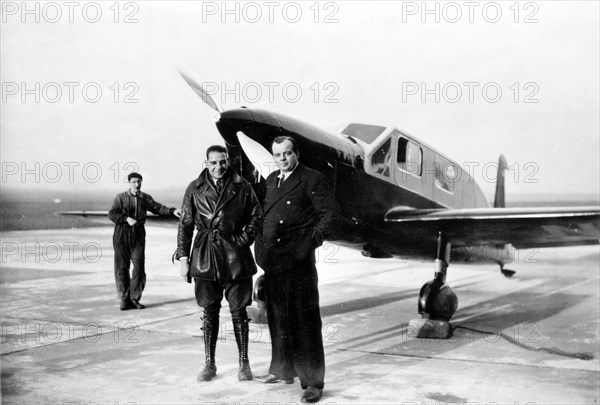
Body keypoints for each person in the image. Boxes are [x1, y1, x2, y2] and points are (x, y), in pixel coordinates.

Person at [254, 136, 342, 403]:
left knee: (304, 323)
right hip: (273, 261)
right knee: (278, 319)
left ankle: (313, 382)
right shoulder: (271, 181)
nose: (282, 159)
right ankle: (281, 370)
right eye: (277, 154)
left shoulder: (312, 179)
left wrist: (308, 241)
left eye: (287, 154)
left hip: (298, 262)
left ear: (297, 154)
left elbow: (331, 215)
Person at [176, 145, 263, 382]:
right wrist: (184, 259)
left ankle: (244, 363)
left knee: (238, 311)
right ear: (206, 163)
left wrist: (244, 239)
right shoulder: (195, 188)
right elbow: (185, 224)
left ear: (228, 161)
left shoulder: (242, 185)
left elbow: (256, 214)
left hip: (235, 256)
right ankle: (209, 364)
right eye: (213, 163)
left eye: (222, 162)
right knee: (209, 311)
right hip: (205, 254)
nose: (218, 167)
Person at [108, 172, 179, 311]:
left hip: (138, 234)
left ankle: (135, 298)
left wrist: (172, 211)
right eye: (134, 181)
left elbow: (158, 208)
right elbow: (112, 214)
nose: (137, 184)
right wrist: (126, 219)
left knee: (139, 267)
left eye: (139, 181)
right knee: (121, 267)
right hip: (122, 234)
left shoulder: (145, 198)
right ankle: (124, 298)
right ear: (129, 183)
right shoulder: (120, 197)